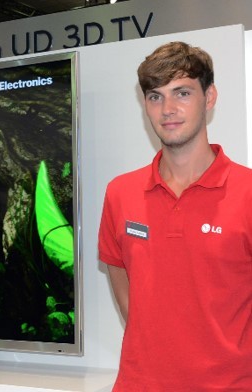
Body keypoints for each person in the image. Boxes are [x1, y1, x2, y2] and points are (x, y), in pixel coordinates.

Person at [98, 41, 252, 390]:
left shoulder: (248, 192)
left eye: (182, 93)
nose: (168, 108)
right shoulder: (120, 193)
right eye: (155, 96)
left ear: (209, 97)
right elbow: (119, 271)